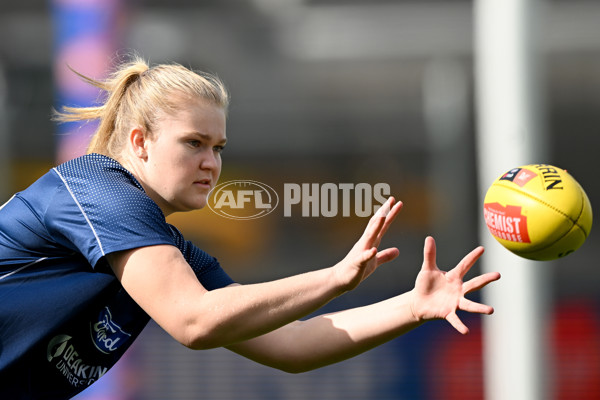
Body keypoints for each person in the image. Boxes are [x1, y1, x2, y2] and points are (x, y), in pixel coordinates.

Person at [0, 55, 501, 399]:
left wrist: (411, 307)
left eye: (218, 148)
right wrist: (333, 277)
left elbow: (292, 346)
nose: (210, 162)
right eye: (193, 142)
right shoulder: (97, 187)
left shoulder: (169, 251)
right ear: (139, 142)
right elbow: (193, 321)